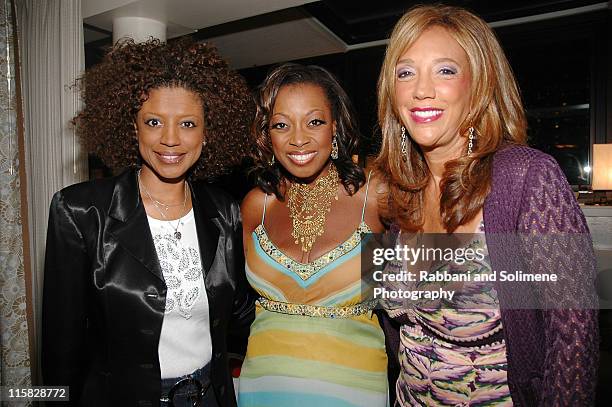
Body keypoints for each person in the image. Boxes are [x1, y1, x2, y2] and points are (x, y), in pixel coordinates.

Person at [374, 5, 599, 406]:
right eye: (405, 72)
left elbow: (573, 338)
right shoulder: (399, 190)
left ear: (479, 84)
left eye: (445, 70)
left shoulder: (524, 179)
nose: (420, 89)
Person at [42, 39, 255, 407]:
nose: (170, 139)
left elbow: (241, 313)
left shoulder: (224, 212)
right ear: (133, 127)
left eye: (187, 123)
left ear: (208, 132)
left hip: (210, 397)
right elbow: (61, 348)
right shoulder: (80, 212)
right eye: (154, 121)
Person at [238, 63, 389, 407]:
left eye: (314, 121)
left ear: (334, 127)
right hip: (263, 388)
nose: (299, 138)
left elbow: (452, 273)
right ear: (267, 134)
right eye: (281, 124)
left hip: (354, 390)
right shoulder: (255, 206)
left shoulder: (375, 195)